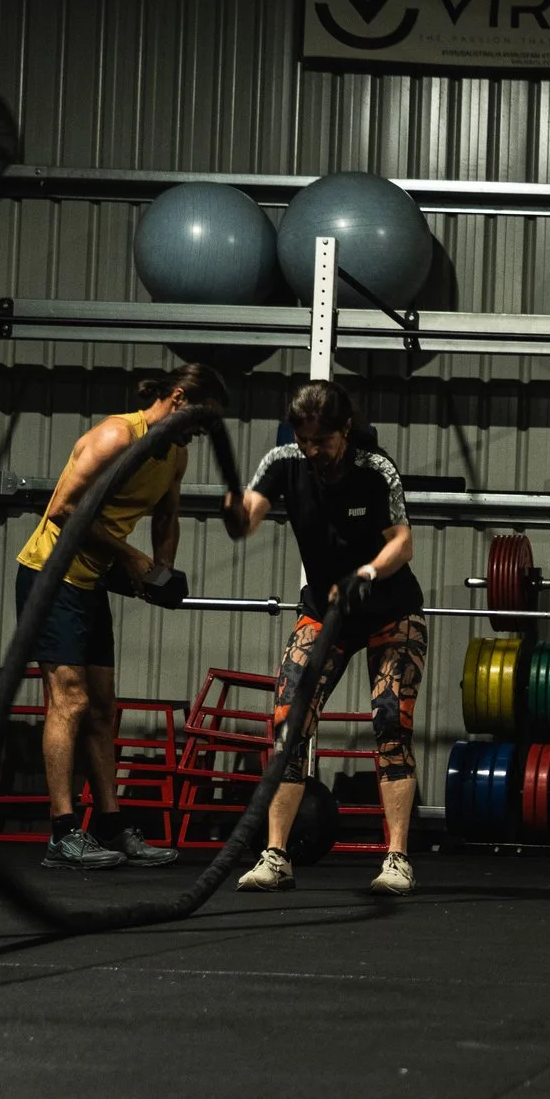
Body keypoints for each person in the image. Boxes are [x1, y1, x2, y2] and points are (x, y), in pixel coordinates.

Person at [11, 362, 227, 870]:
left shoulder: (175, 454)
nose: (199, 433)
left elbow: (167, 516)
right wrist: (133, 560)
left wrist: (162, 571)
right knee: (70, 699)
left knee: (103, 708)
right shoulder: (114, 435)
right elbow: (62, 509)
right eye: (198, 420)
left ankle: (110, 825)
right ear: (176, 399)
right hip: (50, 574)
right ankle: (63, 834)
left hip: (90, 582)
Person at [223, 380, 426, 897]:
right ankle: (275, 857)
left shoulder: (375, 469)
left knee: (389, 721)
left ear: (345, 431)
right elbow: (249, 515)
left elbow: (402, 544)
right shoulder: (284, 462)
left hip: (388, 611)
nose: (314, 452)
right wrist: (236, 512)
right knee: (289, 721)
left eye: (323, 441)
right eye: (305, 441)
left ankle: (398, 859)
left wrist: (366, 575)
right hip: (323, 612)